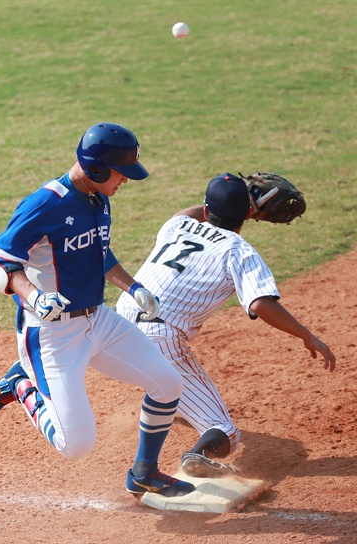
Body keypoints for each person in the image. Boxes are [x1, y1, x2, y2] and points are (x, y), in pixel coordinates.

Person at [0, 122, 195, 498]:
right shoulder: (45, 204)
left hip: (98, 321)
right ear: (96, 168)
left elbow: (97, 250)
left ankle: (144, 472)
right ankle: (19, 383)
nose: (125, 181)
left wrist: (133, 287)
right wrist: (33, 296)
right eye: (121, 173)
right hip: (53, 336)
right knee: (76, 445)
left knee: (168, 384)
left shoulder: (98, 197)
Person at [115, 172, 336, 478]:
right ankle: (196, 457)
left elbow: (190, 212)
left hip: (118, 322)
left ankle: (175, 401)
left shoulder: (178, 226)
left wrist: (229, 195)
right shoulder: (238, 250)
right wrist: (306, 335)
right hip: (159, 338)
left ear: (207, 210)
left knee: (162, 377)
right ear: (248, 213)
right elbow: (260, 303)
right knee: (226, 431)